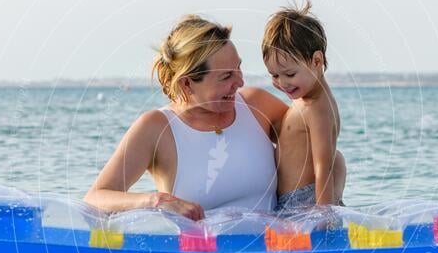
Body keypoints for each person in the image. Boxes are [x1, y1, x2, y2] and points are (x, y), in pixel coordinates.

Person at [84, 15, 288, 219]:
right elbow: (95, 198)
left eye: (238, 68)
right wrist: (156, 201)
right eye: (226, 76)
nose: (240, 82)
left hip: (271, 248)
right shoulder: (156, 128)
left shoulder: (257, 105)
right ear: (187, 84)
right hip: (198, 250)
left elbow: (311, 132)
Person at [261, 0, 346, 210]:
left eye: (290, 74)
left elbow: (323, 167)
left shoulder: (317, 108)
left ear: (317, 61)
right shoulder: (306, 98)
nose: (282, 83)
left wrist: (323, 216)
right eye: (274, 75)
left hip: (303, 202)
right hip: (299, 197)